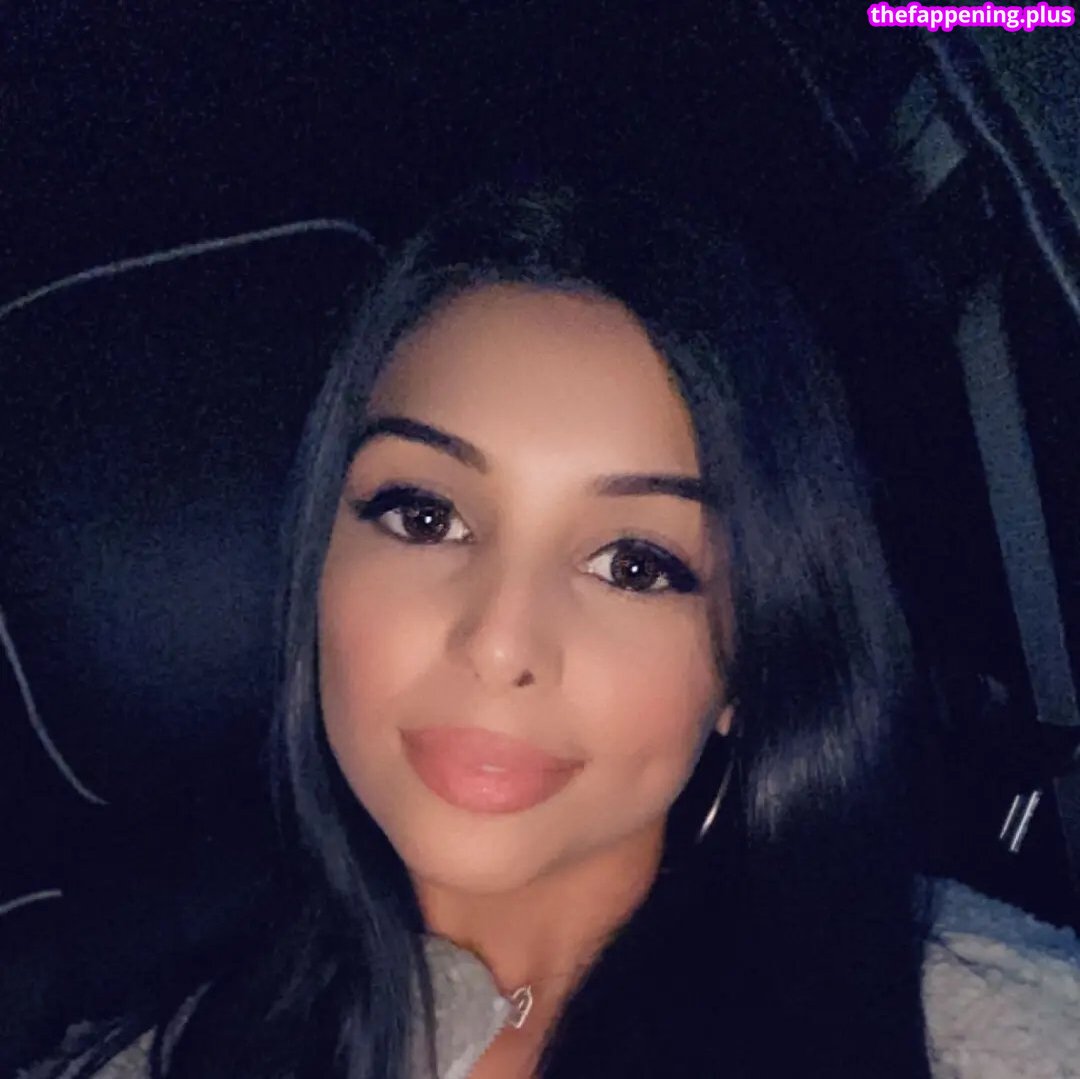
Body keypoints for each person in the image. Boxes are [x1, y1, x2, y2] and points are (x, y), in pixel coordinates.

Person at [20, 182, 1080, 1079]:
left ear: (748, 663)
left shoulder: (983, 1035)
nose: (499, 641)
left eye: (635, 564)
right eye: (425, 516)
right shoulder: (160, 1050)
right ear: (320, 566)